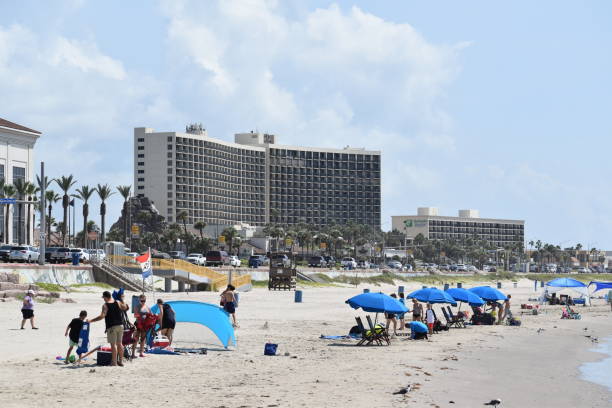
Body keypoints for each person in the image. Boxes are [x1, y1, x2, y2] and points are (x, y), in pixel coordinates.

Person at [89, 291, 128, 367]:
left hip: (112, 327)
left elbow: (102, 316)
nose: (103, 299)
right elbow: (125, 307)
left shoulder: (105, 305)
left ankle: (114, 362)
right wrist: (122, 299)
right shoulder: (117, 302)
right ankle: (120, 361)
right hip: (120, 325)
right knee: (120, 344)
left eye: (103, 297)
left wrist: (91, 320)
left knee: (113, 345)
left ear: (106, 297)